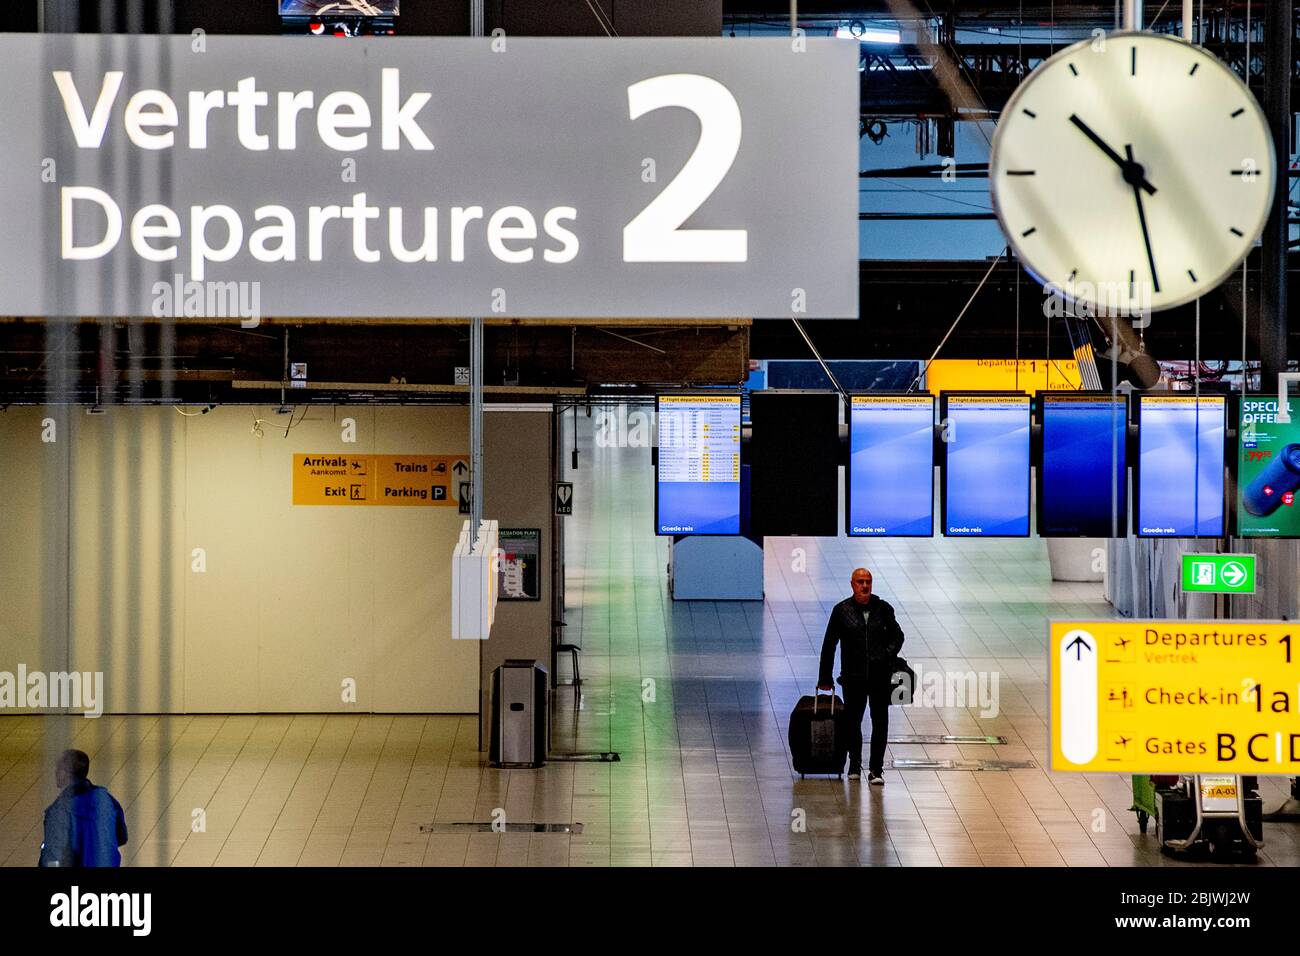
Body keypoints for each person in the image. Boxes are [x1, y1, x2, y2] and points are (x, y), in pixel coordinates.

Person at [817, 567, 905, 785]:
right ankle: (854, 764)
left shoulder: (883, 609)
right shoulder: (842, 611)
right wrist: (825, 678)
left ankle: (876, 769)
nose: (865, 586)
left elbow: (898, 636)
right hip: (853, 677)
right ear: (852, 584)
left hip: (879, 677)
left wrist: (885, 654)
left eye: (868, 581)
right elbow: (829, 645)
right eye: (860, 582)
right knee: (852, 722)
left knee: (880, 722)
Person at [39, 749, 128, 867]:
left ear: (66, 773)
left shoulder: (59, 811)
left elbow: (52, 857)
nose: (55, 772)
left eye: (59, 768)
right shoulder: (107, 799)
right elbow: (122, 837)